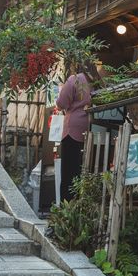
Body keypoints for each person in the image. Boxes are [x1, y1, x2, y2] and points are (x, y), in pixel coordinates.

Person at [56, 63, 98, 201]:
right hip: (91, 128)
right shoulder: (96, 81)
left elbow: (61, 103)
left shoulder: (75, 80)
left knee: (68, 172)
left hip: (72, 130)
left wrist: (61, 90)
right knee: (83, 170)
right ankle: (81, 202)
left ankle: (66, 207)